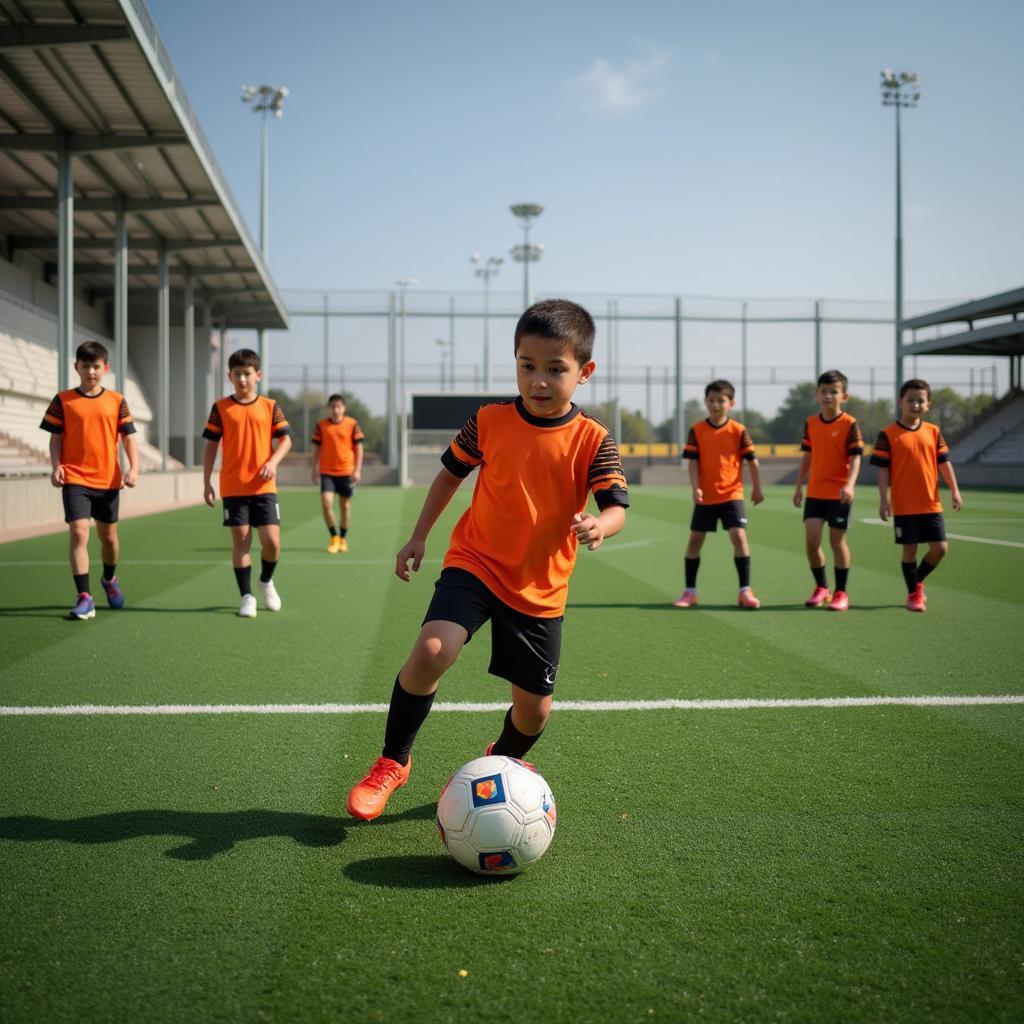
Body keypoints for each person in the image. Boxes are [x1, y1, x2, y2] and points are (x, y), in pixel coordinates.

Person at [346, 299, 629, 821]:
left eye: (555, 369)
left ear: (584, 373)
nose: (538, 381)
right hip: (475, 562)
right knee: (433, 649)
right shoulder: (489, 420)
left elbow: (616, 508)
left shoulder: (593, 439)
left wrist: (598, 525)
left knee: (534, 710)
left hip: (540, 586)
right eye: (527, 366)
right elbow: (450, 474)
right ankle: (392, 761)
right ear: (515, 362)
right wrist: (418, 536)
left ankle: (499, 763)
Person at [40, 340, 139, 620]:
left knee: (108, 538)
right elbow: (55, 437)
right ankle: (84, 597)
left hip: (108, 480)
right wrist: (56, 466)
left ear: (105, 368)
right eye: (86, 366)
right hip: (75, 478)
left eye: (96, 366)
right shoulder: (63, 400)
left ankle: (109, 579)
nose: (91, 371)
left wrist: (134, 468)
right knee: (79, 533)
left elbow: (128, 437)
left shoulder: (117, 401)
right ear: (77, 367)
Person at [202, 348, 292, 618]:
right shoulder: (221, 408)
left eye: (247, 373)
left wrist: (273, 462)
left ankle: (265, 581)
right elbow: (210, 446)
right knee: (241, 541)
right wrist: (206, 482)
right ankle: (246, 596)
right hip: (233, 487)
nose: (242, 379)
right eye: (237, 374)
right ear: (229, 376)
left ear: (258, 375)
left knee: (272, 542)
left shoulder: (270, 406)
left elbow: (286, 440)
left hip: (264, 487)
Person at [871, 378, 962, 612]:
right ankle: (913, 594)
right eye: (910, 400)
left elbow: (944, 463)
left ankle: (917, 581)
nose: (915, 405)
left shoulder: (933, 432)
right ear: (900, 402)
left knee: (940, 548)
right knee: (909, 550)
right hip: (904, 505)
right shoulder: (888, 434)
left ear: (928, 405)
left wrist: (954, 490)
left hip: (931, 503)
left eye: (920, 401)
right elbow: (882, 469)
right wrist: (884, 499)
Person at [673, 380, 764, 609]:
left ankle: (745, 591)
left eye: (721, 400)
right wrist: (696, 487)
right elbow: (692, 462)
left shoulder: (739, 430)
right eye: (711, 400)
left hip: (732, 494)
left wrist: (757, 488)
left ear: (730, 403)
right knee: (695, 541)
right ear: (705, 402)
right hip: (706, 496)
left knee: (739, 537)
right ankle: (690, 592)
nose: (715, 405)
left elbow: (752, 461)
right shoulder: (697, 430)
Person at [792, 370, 864, 612]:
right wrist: (799, 485)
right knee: (811, 540)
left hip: (839, 493)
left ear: (844, 396)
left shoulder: (850, 423)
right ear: (817, 394)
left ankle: (841, 592)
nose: (828, 396)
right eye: (824, 391)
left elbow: (856, 458)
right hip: (815, 491)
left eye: (834, 391)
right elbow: (808, 456)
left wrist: (850, 484)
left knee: (836, 541)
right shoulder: (811, 423)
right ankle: (822, 587)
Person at [311, 393, 364, 553]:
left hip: (346, 471)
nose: (336, 409)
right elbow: (317, 448)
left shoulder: (352, 424)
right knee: (327, 503)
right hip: (327, 471)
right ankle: (334, 536)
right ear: (329, 408)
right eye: (333, 406)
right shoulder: (321, 425)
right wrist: (315, 468)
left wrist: (357, 470)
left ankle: (343, 538)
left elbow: (359, 448)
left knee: (344, 506)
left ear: (344, 408)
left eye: (339, 406)